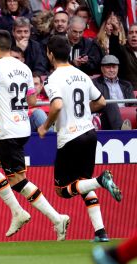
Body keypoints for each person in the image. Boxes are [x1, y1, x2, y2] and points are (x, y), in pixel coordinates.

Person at [0, 30, 70, 240]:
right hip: (20, 128)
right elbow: (32, 102)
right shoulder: (24, 68)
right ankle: (17, 212)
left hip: (9, 132)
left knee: (19, 182)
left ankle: (57, 218)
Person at [38, 35, 122, 242]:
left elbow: (57, 105)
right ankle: (101, 231)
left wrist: (44, 126)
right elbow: (101, 102)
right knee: (84, 183)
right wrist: (84, 109)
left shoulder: (53, 78)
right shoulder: (82, 76)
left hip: (70, 137)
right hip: (89, 133)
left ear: (49, 53)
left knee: (62, 191)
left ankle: (101, 180)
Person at [92, 55, 135, 130]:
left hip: (126, 116)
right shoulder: (94, 83)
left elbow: (133, 104)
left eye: (114, 67)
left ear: (118, 68)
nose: (111, 70)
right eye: (108, 67)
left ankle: (124, 129)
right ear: (102, 69)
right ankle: (121, 132)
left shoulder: (126, 84)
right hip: (105, 115)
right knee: (111, 103)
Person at [109, 21, 137, 89]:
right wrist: (115, 32)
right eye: (130, 33)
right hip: (128, 92)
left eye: (136, 32)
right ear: (127, 36)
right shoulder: (122, 50)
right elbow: (114, 50)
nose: (134, 35)